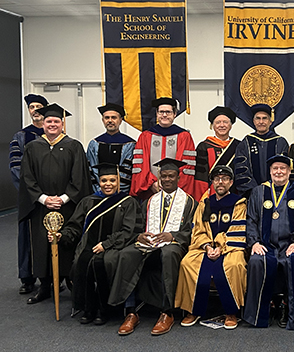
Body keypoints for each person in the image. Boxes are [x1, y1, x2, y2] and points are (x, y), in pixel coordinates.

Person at [109, 158, 198, 336]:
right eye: (163, 176)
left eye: (171, 176)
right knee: (127, 254)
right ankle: (131, 311)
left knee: (168, 253)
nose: (167, 179)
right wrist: (139, 236)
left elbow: (193, 231)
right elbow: (138, 226)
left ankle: (168, 312)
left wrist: (173, 235)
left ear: (178, 178)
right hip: (149, 244)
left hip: (174, 244)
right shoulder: (150, 201)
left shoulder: (189, 202)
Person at [18, 103, 92, 305]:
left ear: (62, 124)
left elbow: (80, 177)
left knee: (67, 242)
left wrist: (63, 198)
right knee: (42, 244)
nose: (52, 124)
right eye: (48, 121)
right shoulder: (32, 147)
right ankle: (44, 285)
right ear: (43, 123)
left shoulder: (74, 146)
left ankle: (70, 281)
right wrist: (43, 198)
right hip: (40, 206)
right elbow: (27, 177)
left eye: (56, 121)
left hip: (66, 205)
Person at [50, 163, 142, 325]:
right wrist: (61, 235)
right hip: (89, 244)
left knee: (102, 262)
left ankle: (103, 309)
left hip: (114, 247)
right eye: (104, 180)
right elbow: (75, 226)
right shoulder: (88, 201)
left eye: (112, 180)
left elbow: (130, 231)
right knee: (82, 260)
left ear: (118, 181)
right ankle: (87, 308)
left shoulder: (128, 203)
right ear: (99, 182)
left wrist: (106, 244)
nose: (108, 184)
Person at [243, 155, 294, 330]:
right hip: (266, 245)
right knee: (257, 261)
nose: (279, 172)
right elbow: (251, 220)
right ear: (270, 171)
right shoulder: (258, 192)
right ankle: (260, 315)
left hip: (291, 244)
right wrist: (254, 243)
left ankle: (292, 314)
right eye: (275, 168)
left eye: (283, 168)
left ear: (289, 171)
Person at [175, 165, 247, 329]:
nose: (220, 182)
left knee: (234, 265)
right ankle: (193, 309)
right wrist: (207, 246)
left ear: (230, 182)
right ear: (213, 182)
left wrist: (220, 247)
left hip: (230, 247)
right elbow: (198, 230)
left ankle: (231, 311)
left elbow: (238, 230)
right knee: (187, 263)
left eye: (224, 179)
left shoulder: (239, 203)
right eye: (217, 179)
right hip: (205, 247)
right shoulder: (205, 204)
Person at [9, 93, 48, 294]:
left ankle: (50, 277)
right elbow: (16, 167)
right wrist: (33, 192)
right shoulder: (21, 136)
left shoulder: (53, 134)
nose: (35, 110)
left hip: (51, 196)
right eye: (32, 107)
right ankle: (27, 277)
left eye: (39, 106)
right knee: (27, 236)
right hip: (29, 197)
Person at [130, 97, 199, 201]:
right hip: (151, 190)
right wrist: (152, 183)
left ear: (174, 114)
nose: (164, 115)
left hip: (176, 192)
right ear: (157, 114)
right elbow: (141, 165)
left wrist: (171, 184)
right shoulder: (145, 136)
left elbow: (186, 167)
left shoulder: (184, 136)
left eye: (168, 112)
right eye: (161, 112)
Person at [234, 104, 289, 198]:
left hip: (277, 193)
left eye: (265, 118)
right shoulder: (246, 142)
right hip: (251, 194)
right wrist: (255, 190)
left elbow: (285, 168)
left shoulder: (280, 142)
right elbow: (241, 169)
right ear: (253, 121)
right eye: (258, 118)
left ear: (270, 121)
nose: (261, 122)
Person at [87, 103, 136, 194]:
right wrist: (100, 189)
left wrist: (117, 190)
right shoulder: (94, 143)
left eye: (114, 118)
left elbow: (127, 170)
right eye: (107, 118)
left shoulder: (129, 144)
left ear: (120, 120)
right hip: (99, 193)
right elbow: (92, 169)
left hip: (122, 194)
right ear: (103, 120)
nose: (110, 120)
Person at [194, 106, 240, 199]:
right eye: (218, 122)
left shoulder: (239, 146)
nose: (222, 125)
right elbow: (200, 176)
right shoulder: (204, 147)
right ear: (212, 126)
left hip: (235, 193)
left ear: (231, 125)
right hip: (212, 195)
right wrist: (204, 198)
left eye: (225, 122)